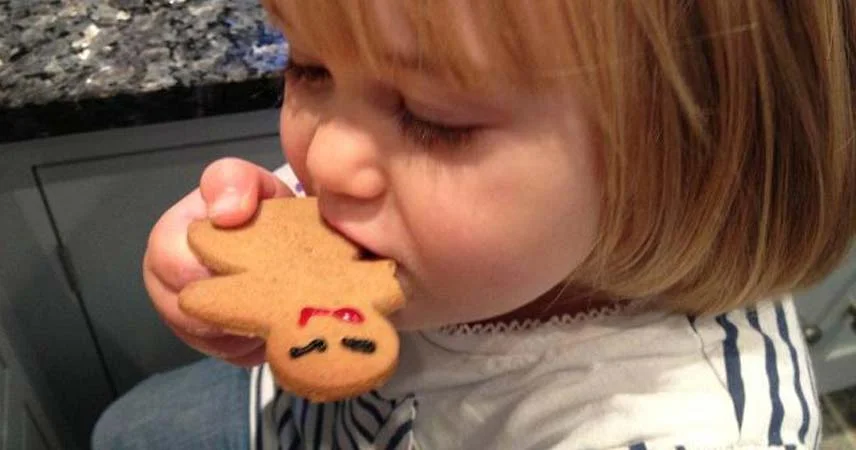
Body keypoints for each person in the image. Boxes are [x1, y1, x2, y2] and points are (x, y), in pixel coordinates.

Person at [92, 1, 856, 449]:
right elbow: (280, 234)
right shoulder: (409, 207)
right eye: (310, 69)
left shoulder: (678, 430)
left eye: (432, 119)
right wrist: (216, 242)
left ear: (686, 162)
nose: (320, 160)